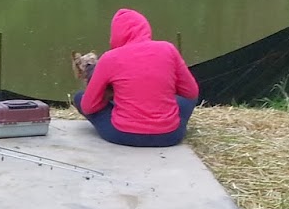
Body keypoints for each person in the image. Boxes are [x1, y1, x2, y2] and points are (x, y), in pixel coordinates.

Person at [72, 8, 199, 146]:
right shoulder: (168, 48)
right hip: (170, 136)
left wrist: (112, 99)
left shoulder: (109, 58)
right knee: (189, 99)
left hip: (123, 135)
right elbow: (191, 92)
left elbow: (88, 107)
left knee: (80, 98)